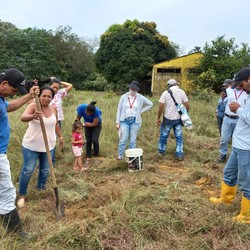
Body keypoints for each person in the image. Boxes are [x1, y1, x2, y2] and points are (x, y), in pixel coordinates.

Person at [0, 68, 39, 237]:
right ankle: (17, 233)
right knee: (7, 192)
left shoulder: (1, 99)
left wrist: (29, 96)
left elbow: (10, 107)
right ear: (4, 84)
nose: (13, 93)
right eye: (13, 90)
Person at [210, 67, 250, 224]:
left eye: (242, 84)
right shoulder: (247, 94)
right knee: (229, 172)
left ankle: (246, 216)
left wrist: (238, 109)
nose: (240, 87)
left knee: (246, 181)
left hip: (247, 147)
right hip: (239, 144)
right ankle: (225, 199)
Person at [17, 86, 64, 209]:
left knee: (45, 169)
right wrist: (33, 116)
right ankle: (22, 194)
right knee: (28, 170)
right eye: (44, 95)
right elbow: (23, 117)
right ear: (39, 96)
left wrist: (60, 137)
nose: (46, 98)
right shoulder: (33, 106)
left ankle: (41, 188)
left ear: (52, 98)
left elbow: (56, 124)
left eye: (49, 96)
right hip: (31, 146)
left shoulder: (53, 109)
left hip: (49, 145)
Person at [116, 80, 153, 160]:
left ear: (137, 90)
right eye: (131, 89)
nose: (133, 91)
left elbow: (150, 104)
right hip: (124, 120)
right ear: (129, 88)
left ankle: (131, 157)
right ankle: (120, 156)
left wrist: (141, 111)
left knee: (133, 140)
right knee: (123, 139)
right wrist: (117, 122)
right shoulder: (124, 97)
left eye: (135, 89)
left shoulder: (140, 97)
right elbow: (119, 109)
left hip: (135, 121)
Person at [157, 79, 189, 161]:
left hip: (168, 118)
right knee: (179, 136)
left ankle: (161, 151)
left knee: (164, 135)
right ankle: (179, 154)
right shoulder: (181, 92)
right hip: (178, 118)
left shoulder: (165, 93)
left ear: (169, 85)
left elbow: (161, 106)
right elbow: (187, 105)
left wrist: (158, 118)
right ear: (176, 84)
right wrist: (185, 115)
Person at [217, 79, 248, 163]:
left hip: (239, 119)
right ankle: (223, 155)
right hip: (227, 118)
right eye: (234, 81)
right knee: (224, 138)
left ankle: (235, 157)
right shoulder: (228, 90)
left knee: (237, 139)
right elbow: (221, 103)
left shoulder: (246, 92)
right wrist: (222, 98)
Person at [49, 77, 72, 166]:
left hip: (57, 120)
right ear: (49, 86)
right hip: (48, 120)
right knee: (47, 140)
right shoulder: (46, 93)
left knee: (54, 140)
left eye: (57, 87)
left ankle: (52, 161)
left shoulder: (59, 94)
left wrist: (59, 81)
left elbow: (70, 86)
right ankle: (45, 161)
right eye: (53, 87)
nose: (55, 89)